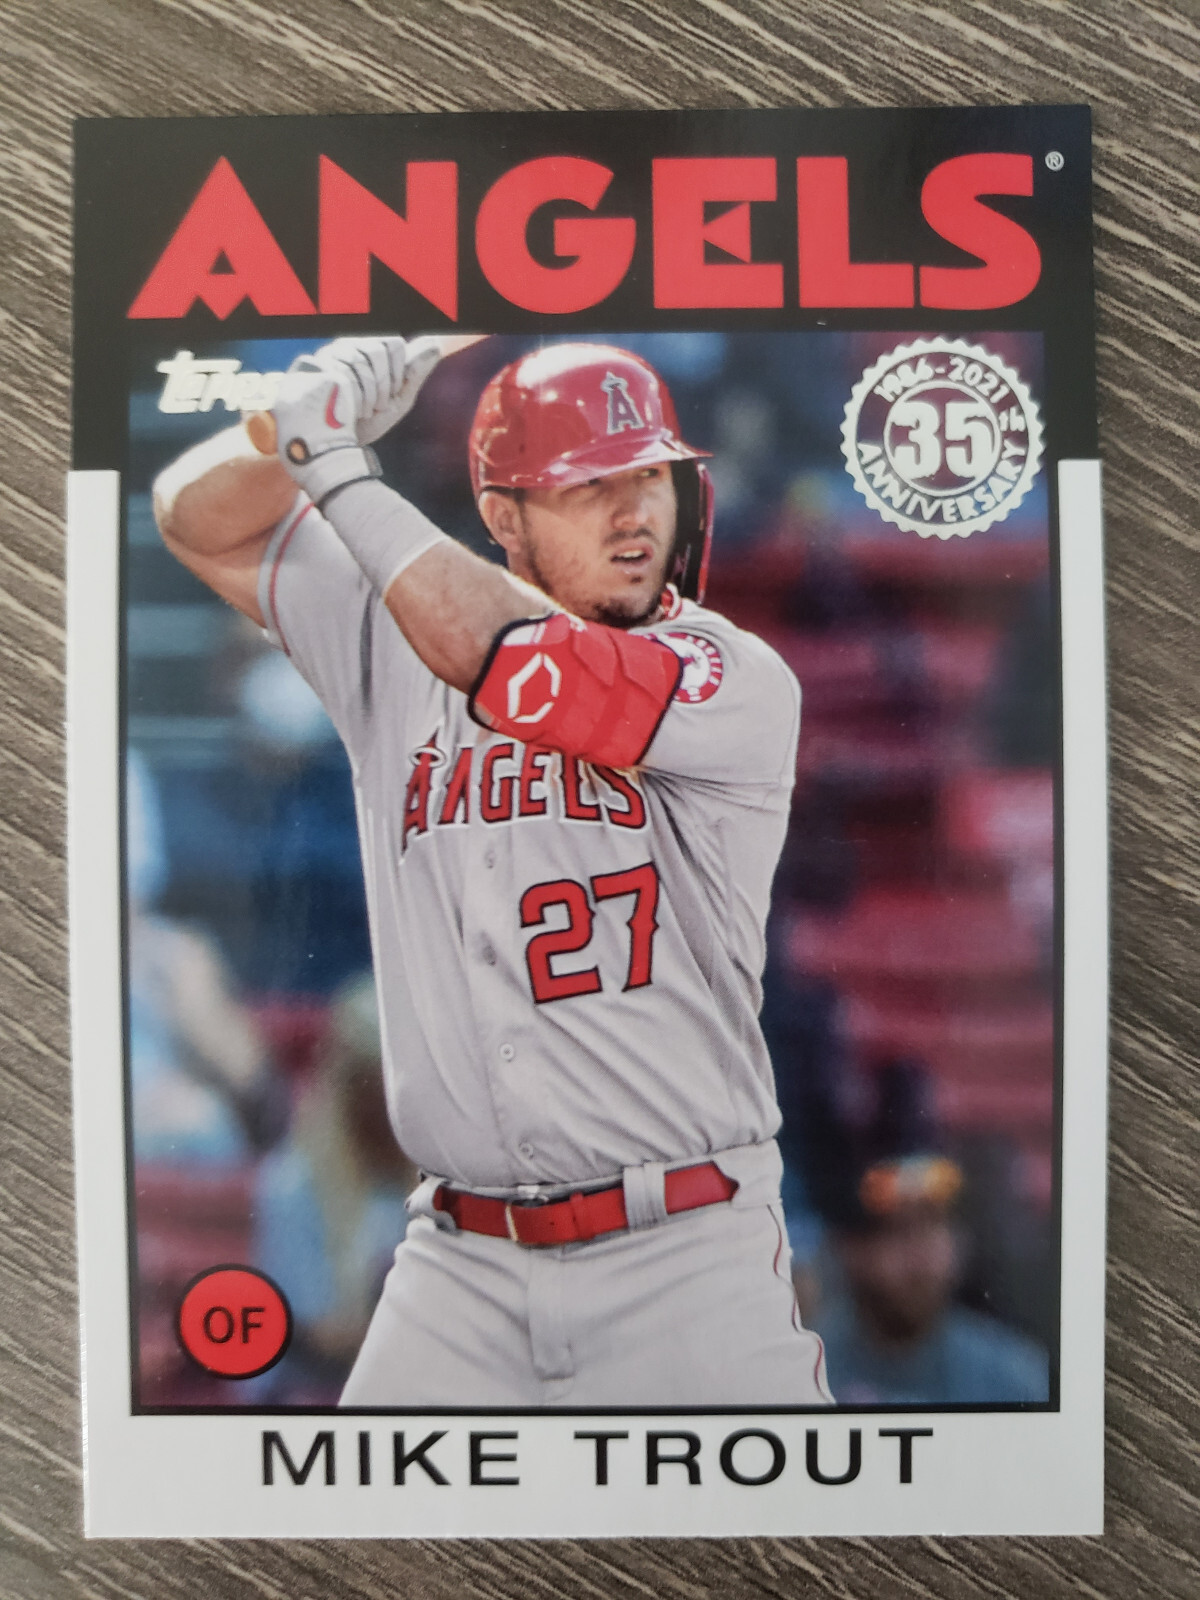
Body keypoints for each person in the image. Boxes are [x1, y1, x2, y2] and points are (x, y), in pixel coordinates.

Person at [153, 334, 831, 1407]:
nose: (632, 514)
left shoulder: (729, 674)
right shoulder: (390, 634)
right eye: (587, 485)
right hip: (457, 1257)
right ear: (504, 517)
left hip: (685, 1250)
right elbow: (192, 514)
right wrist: (294, 425)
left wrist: (337, 469)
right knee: (364, 1515)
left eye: (649, 476)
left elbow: (515, 664)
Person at [810, 1060, 1049, 1405]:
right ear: (851, 1246)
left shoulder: (1013, 1380)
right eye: (897, 1230)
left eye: (933, 1223)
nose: (919, 1253)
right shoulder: (803, 1373)